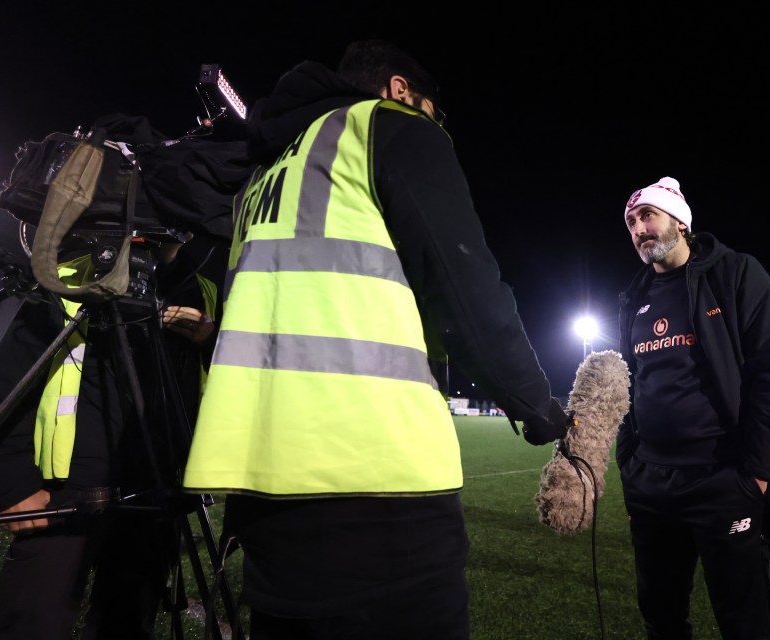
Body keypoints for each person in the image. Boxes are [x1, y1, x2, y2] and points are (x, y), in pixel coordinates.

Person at [182, 39, 572, 640]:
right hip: (374, 477)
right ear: (399, 91)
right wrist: (536, 406)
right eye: (436, 114)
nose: (438, 128)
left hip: (266, 484)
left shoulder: (271, 172)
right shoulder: (383, 126)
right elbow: (465, 281)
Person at [615, 176, 770, 640]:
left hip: (721, 479)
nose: (639, 228)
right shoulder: (633, 298)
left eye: (648, 216)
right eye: (631, 221)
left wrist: (753, 473)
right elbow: (629, 386)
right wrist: (629, 463)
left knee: (744, 623)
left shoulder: (735, 273)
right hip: (650, 485)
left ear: (679, 221)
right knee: (661, 617)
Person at [0, 238, 219, 640]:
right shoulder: (72, 277)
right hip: (65, 492)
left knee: (127, 624)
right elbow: (8, 382)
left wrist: (210, 340)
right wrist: (10, 483)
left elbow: (228, 381)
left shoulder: (202, 289)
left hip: (157, 489)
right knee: (34, 621)